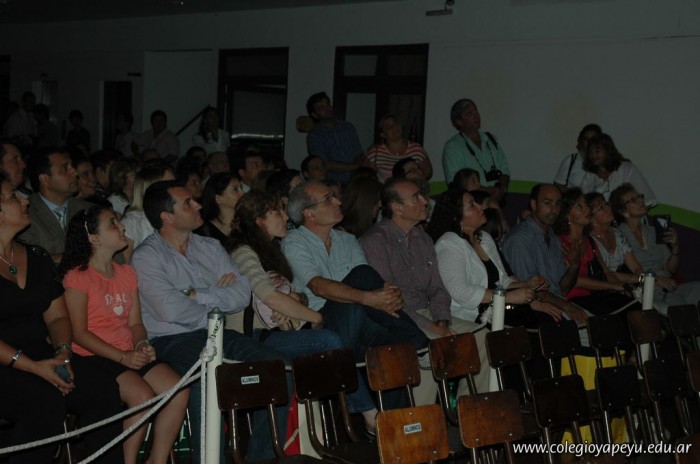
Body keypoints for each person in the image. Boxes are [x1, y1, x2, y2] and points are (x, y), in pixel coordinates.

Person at [132, 180, 288, 462]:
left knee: (276, 366)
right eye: (188, 203)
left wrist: (195, 294)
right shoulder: (146, 257)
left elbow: (241, 295)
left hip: (217, 331)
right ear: (167, 217)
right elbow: (171, 312)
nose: (198, 205)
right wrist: (216, 296)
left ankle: (262, 458)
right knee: (205, 379)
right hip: (171, 340)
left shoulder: (210, 246)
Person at [227, 190, 379, 431]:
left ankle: (360, 414)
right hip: (253, 337)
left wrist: (295, 299)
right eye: (278, 212)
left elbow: (296, 294)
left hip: (279, 331)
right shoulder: (243, 252)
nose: (286, 217)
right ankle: (369, 416)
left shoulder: (272, 251)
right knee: (328, 339)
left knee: (348, 337)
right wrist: (316, 317)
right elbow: (270, 297)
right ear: (259, 220)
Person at [0, 172, 124, 464]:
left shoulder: (36, 256)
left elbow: (57, 317)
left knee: (102, 388)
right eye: (13, 196)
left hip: (42, 353)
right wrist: (32, 366)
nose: (25, 200)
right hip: (6, 363)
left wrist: (64, 352)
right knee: (44, 399)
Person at [59, 205, 188, 464]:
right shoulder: (78, 277)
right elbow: (78, 333)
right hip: (93, 355)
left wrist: (142, 344)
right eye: (113, 223)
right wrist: (122, 356)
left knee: (178, 389)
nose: (122, 227)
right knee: (142, 396)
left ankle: (157, 460)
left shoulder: (126, 273)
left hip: (127, 351)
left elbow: (136, 323)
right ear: (94, 237)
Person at [361, 179, 491, 396]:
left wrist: (442, 320)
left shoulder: (423, 238)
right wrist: (433, 327)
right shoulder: (375, 241)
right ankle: (421, 414)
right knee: (430, 344)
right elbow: (390, 302)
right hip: (397, 319)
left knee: (481, 338)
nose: (425, 201)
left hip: (427, 314)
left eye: (422, 195)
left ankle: (472, 408)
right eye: (416, 198)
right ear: (397, 208)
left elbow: (437, 288)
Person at [281, 180, 430, 367]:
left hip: (359, 317)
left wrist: (390, 295)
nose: (338, 202)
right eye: (328, 199)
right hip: (322, 322)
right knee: (362, 275)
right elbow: (317, 286)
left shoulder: (348, 240)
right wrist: (367, 298)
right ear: (309, 213)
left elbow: (371, 284)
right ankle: (422, 345)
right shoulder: (294, 241)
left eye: (335, 197)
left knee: (391, 347)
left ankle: (414, 353)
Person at [427, 186, 553, 328]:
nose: (480, 206)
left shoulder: (484, 238)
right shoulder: (449, 243)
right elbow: (459, 291)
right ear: (458, 218)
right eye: (472, 205)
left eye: (476, 202)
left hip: (494, 310)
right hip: (469, 316)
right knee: (538, 325)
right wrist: (508, 297)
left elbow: (502, 282)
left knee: (546, 321)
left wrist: (526, 284)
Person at [501, 184, 588, 324]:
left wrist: (574, 266)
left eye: (558, 204)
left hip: (556, 304)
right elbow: (530, 291)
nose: (554, 209)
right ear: (534, 204)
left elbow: (562, 288)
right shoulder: (519, 239)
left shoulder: (553, 238)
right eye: (547, 203)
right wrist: (566, 306)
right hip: (530, 309)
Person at [610, 183, 700, 314]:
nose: (640, 201)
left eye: (640, 197)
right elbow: (629, 272)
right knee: (679, 307)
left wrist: (675, 247)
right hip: (648, 289)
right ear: (622, 211)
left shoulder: (652, 231)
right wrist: (656, 280)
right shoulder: (619, 235)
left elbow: (670, 268)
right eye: (633, 200)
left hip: (669, 285)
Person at [552, 188, 635, 315]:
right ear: (567, 215)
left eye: (585, 204)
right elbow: (576, 281)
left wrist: (623, 287)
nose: (586, 209)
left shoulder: (588, 240)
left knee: (632, 305)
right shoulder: (562, 242)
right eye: (579, 206)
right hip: (572, 299)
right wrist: (613, 286)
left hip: (593, 296)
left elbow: (606, 272)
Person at [19, 147, 92, 262]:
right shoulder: (25, 214)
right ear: (45, 179)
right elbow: (30, 261)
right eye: (65, 168)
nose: (75, 172)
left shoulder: (88, 210)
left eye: (72, 166)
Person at [442, 99, 510, 204]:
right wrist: (489, 191)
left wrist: (501, 189)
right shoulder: (452, 147)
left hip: (497, 203)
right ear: (459, 121)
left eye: (476, 111)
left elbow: (504, 170)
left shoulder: (491, 139)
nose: (476, 115)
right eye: (469, 113)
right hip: (472, 204)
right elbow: (457, 183)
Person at [579, 133, 656, 206]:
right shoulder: (590, 175)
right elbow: (582, 200)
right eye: (591, 152)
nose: (593, 155)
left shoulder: (627, 169)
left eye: (597, 151)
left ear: (608, 151)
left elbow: (647, 199)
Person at [120, 162, 176, 263]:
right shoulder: (131, 224)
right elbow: (124, 267)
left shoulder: (176, 217)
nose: (177, 190)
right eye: (169, 185)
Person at [305, 92, 364, 185]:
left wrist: (357, 171)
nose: (327, 109)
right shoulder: (315, 136)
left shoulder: (348, 127)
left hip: (355, 182)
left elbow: (359, 153)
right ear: (314, 114)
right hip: (332, 185)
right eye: (321, 107)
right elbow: (324, 164)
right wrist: (355, 167)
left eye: (328, 105)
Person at [585, 191, 643, 282]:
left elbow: (636, 267)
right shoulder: (588, 241)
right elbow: (604, 274)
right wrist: (638, 279)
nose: (608, 208)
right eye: (601, 207)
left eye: (606, 204)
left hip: (627, 284)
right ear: (591, 218)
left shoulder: (617, 234)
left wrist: (645, 281)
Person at [364, 115, 432, 183]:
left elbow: (427, 173)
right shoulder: (376, 152)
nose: (393, 127)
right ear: (382, 134)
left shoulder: (416, 149)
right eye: (388, 126)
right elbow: (366, 176)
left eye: (395, 123)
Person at [196, 172, 244, 246]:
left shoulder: (247, 222)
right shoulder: (205, 232)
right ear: (218, 198)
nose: (243, 193)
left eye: (241, 188)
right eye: (235, 189)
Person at [553, 123, 602, 191]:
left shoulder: (606, 163)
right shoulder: (570, 161)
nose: (589, 142)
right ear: (581, 141)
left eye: (593, 139)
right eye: (586, 139)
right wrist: (575, 195)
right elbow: (558, 185)